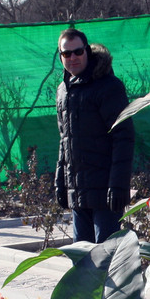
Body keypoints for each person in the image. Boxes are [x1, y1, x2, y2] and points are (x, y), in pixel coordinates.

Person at [54, 28, 135, 244]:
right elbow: (65, 140)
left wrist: (118, 185)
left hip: (106, 193)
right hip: (78, 193)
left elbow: (123, 137)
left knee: (105, 260)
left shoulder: (108, 87)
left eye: (77, 51)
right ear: (60, 56)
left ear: (87, 51)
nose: (72, 58)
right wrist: (60, 183)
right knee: (81, 263)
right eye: (66, 54)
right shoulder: (63, 90)